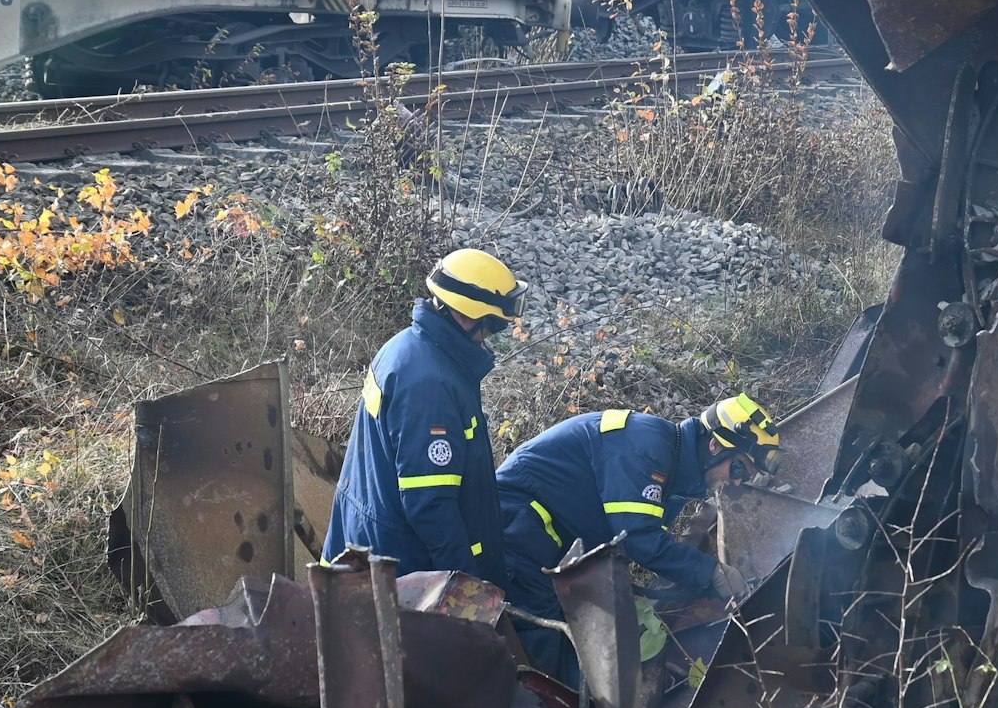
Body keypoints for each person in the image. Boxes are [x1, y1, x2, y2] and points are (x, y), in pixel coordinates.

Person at [496, 393, 780, 680]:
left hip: (551, 540)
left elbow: (643, 542)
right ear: (715, 445)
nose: (737, 481)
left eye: (745, 476)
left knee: (587, 641)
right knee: (549, 639)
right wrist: (712, 573)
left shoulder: (674, 471)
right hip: (519, 528)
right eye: (738, 467)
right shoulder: (646, 448)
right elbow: (637, 538)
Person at [324, 248, 529, 586]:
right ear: (466, 316)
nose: (492, 337)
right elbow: (431, 504)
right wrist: (466, 587)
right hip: (404, 573)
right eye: (494, 326)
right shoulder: (430, 384)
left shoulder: (409, 348)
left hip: (371, 540)